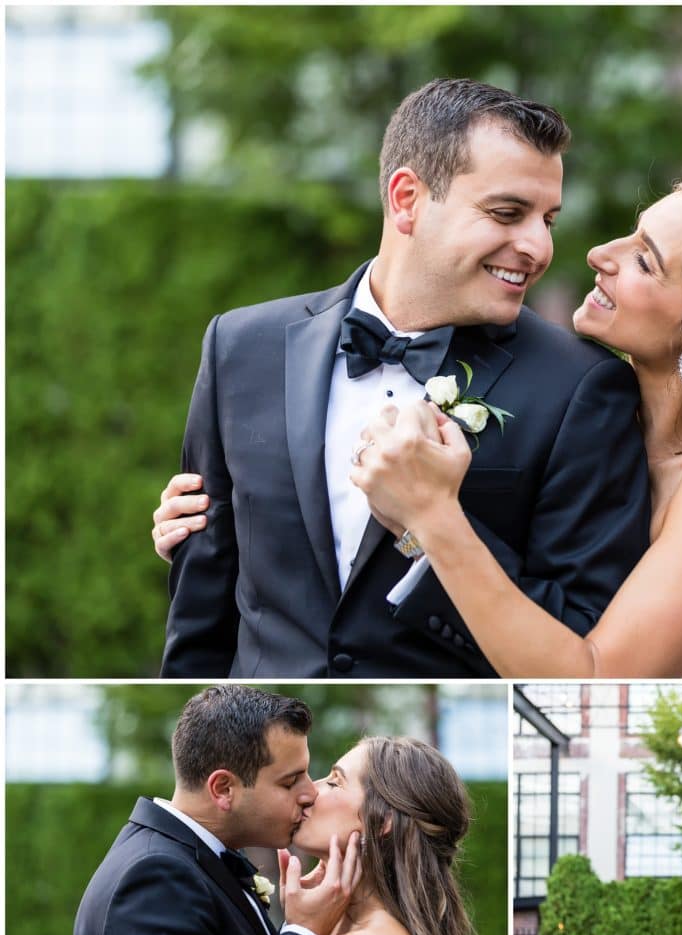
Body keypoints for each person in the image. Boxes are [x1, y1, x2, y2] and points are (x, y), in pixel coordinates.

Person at [156, 77, 649, 678]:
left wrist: (429, 530)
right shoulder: (240, 345)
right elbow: (204, 601)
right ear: (407, 198)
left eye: (548, 218)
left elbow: (580, 633)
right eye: (507, 213)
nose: (538, 247)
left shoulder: (583, 387)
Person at [342, 176, 682, 677]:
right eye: (632, 233)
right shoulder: (590, 433)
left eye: (645, 261)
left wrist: (432, 516)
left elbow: (598, 679)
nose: (600, 255)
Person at [73, 684, 362, 935]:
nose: (310, 792)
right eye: (289, 782)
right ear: (224, 789)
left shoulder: (190, 858)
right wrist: (304, 932)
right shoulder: (154, 880)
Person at [291, 735, 486, 935]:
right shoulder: (346, 929)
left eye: (335, 782)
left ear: (382, 821)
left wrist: (300, 932)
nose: (310, 791)